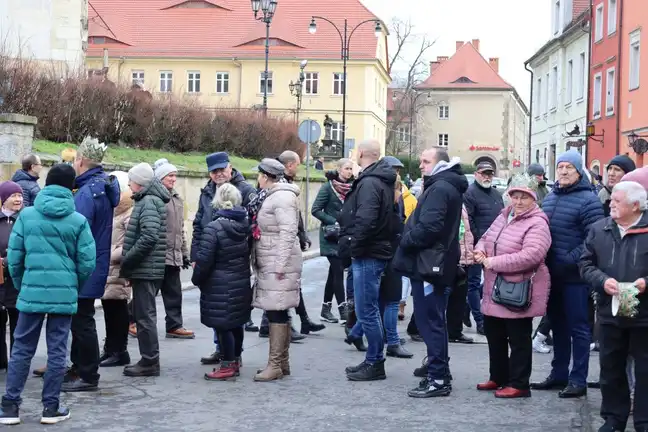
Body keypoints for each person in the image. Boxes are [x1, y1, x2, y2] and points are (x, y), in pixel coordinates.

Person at [0, 164, 96, 426]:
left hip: (31, 289)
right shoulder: (77, 220)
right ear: (70, 187)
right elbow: (87, 262)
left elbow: (15, 258)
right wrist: (72, 284)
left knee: (22, 348)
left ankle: (10, 407)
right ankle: (50, 408)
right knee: (57, 351)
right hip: (64, 294)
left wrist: (22, 284)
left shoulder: (27, 216)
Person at [393, 148, 468, 398]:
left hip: (429, 265)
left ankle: (438, 378)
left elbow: (431, 227)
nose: (421, 165)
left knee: (431, 322)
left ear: (439, 165)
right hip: (434, 263)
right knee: (433, 321)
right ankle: (438, 372)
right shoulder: (444, 185)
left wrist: (405, 239)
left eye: (426, 161)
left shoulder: (441, 188)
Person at [532, 149, 604, 398]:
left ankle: (578, 379)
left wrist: (568, 259)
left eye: (568, 168)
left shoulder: (589, 200)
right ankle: (559, 374)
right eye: (560, 167)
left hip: (575, 276)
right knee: (558, 327)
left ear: (578, 172)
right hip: (552, 275)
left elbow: (594, 239)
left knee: (579, 328)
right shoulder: (551, 196)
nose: (562, 171)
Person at [474, 173, 551, 398]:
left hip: (519, 288)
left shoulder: (538, 222)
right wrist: (480, 249)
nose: (517, 202)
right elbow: (487, 237)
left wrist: (493, 262)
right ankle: (498, 376)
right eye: (514, 196)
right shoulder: (504, 214)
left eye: (524, 197)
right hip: (495, 286)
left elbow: (532, 255)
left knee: (518, 339)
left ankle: (519, 383)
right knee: (494, 333)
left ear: (533, 198)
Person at [580, 180, 648, 432]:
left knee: (645, 370)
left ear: (635, 205)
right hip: (610, 311)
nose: (611, 204)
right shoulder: (600, 229)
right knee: (610, 367)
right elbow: (585, 264)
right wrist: (603, 281)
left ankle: (644, 420)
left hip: (644, 314)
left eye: (617, 201)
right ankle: (613, 418)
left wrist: (645, 283)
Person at [61, 136, 120, 393]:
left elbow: (75, 231)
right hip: (94, 263)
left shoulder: (87, 192)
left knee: (82, 321)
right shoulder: (100, 186)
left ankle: (87, 374)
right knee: (81, 319)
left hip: (84, 266)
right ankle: (79, 368)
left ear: (81, 161)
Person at [339, 140, 397, 382]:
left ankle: (375, 362)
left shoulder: (370, 182)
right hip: (374, 251)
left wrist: (354, 247)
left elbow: (366, 219)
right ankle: (372, 359)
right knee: (369, 309)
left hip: (368, 253)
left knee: (367, 311)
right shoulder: (380, 180)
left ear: (360, 153)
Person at [193, 152, 257, 365]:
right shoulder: (207, 191)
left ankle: (230, 354)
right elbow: (198, 224)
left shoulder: (246, 191)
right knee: (218, 307)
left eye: (222, 169)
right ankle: (222, 349)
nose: (219, 174)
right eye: (214, 171)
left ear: (230, 168)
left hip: (232, 260)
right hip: (211, 257)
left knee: (229, 309)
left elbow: (254, 226)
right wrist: (196, 256)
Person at [251, 159, 302, 382]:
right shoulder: (274, 195)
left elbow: (289, 231)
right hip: (271, 258)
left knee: (276, 309)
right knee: (277, 309)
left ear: (265, 176)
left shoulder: (281, 197)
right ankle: (282, 363)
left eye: (259, 175)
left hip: (277, 261)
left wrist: (280, 264)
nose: (257, 179)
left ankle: (275, 365)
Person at [120, 163, 170, 377]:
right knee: (144, 314)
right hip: (147, 267)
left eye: (131, 180)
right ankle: (148, 359)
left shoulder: (148, 201)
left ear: (138, 182)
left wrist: (128, 261)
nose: (129, 185)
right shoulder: (149, 199)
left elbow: (149, 236)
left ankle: (149, 361)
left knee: (145, 316)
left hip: (146, 268)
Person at [152, 159, 194, 339]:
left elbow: (180, 230)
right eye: (170, 175)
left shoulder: (176, 199)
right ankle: (132, 321)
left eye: (175, 175)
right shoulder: (155, 198)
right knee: (148, 293)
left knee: (174, 293)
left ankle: (174, 325)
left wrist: (184, 253)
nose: (174, 179)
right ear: (160, 177)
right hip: (158, 254)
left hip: (174, 255)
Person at [311, 158, 354, 324]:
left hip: (344, 237)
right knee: (337, 271)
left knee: (333, 273)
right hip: (330, 235)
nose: (349, 172)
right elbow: (315, 210)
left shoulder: (352, 188)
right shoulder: (328, 188)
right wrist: (333, 221)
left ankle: (325, 309)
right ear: (339, 169)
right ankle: (343, 310)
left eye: (351, 169)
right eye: (346, 168)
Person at [463, 162, 504, 335]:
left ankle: (467, 307)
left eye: (490, 174)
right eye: (484, 173)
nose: (487, 176)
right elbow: (468, 221)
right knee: (473, 282)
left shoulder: (496, 193)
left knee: (490, 281)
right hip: (475, 245)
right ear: (477, 174)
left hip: (495, 246)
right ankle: (479, 320)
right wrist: (480, 240)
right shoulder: (470, 193)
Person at [100, 171, 133, 367]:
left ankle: (119, 351)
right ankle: (110, 349)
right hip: (108, 270)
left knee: (117, 310)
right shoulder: (114, 212)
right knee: (109, 310)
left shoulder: (127, 213)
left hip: (117, 269)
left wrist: (109, 255)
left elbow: (129, 244)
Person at [0, 181, 23, 370]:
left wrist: (7, 261)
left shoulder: (26, 220)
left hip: (18, 280)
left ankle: (18, 362)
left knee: (19, 324)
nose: (18, 199)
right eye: (13, 196)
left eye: (20, 196)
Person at [447, 204, 475, 344]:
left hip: (463, 257)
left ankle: (454, 331)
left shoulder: (461, 203)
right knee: (446, 297)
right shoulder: (449, 200)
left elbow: (466, 233)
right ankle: (416, 327)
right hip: (453, 258)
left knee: (458, 298)